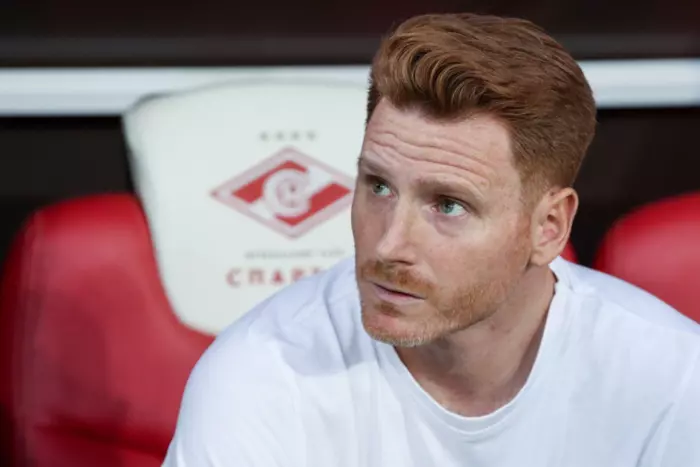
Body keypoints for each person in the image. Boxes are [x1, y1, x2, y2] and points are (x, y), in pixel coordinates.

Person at [163, 13, 700, 467]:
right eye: (378, 186)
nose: (388, 245)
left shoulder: (672, 379)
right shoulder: (262, 373)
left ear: (548, 227)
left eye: (448, 205)